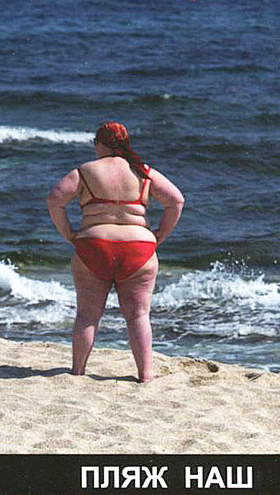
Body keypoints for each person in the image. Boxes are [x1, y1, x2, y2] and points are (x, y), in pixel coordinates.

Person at [46, 121, 184, 382]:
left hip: (93, 245)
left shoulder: (85, 171)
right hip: (139, 247)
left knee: (87, 315)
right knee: (138, 315)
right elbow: (176, 200)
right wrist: (159, 235)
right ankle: (145, 374)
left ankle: (77, 371)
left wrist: (69, 233)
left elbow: (55, 198)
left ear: (100, 144)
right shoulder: (143, 172)